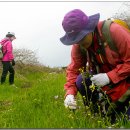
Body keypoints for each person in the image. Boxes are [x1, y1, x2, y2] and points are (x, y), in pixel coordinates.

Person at [60, 9, 130, 122]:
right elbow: (73, 70)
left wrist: (110, 76)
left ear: (89, 28)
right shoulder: (79, 45)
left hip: (126, 82)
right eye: (76, 40)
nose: (80, 43)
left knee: (125, 121)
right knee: (81, 80)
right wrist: (70, 93)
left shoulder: (114, 31)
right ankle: (97, 114)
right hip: (109, 87)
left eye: (82, 37)